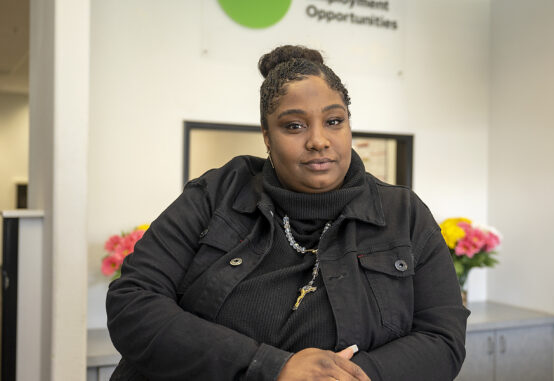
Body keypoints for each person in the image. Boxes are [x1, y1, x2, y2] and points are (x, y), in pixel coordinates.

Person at [106, 45, 470, 381]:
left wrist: (354, 377)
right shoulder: (215, 194)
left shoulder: (404, 214)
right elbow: (133, 303)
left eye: (333, 121)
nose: (318, 140)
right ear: (266, 135)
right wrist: (272, 367)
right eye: (294, 126)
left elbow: (442, 337)